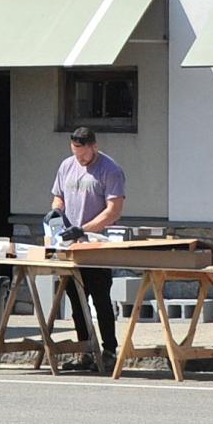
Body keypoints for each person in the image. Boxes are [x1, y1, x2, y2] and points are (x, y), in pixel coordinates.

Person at [49, 126, 125, 372]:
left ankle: (110, 350)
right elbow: (58, 196)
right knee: (75, 299)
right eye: (75, 153)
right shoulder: (66, 166)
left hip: (96, 244)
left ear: (94, 146)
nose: (79, 159)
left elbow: (113, 210)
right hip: (70, 245)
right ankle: (85, 351)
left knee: (100, 298)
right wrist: (57, 212)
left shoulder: (109, 170)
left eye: (83, 154)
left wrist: (84, 229)